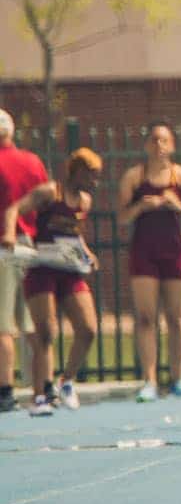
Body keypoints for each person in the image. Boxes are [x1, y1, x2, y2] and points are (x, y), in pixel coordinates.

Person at [3, 149, 103, 415]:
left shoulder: (85, 201)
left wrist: (87, 253)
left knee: (88, 328)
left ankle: (66, 380)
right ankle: (39, 397)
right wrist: (10, 234)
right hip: (43, 268)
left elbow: (75, 234)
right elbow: (14, 209)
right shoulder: (50, 192)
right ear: (78, 171)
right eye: (92, 176)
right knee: (45, 332)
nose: (95, 182)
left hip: (69, 270)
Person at [119, 122, 181, 401]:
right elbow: (121, 217)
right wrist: (141, 206)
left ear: (172, 146)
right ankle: (150, 380)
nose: (159, 145)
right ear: (147, 145)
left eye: (164, 140)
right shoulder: (134, 176)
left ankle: (178, 378)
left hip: (173, 250)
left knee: (177, 318)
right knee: (146, 317)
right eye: (154, 140)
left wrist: (176, 204)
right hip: (144, 251)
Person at [0, 108, 46, 413]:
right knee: (32, 322)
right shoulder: (32, 162)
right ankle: (43, 387)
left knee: (3, 325)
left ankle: (5, 389)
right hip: (28, 244)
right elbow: (45, 198)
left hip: (3, 244)